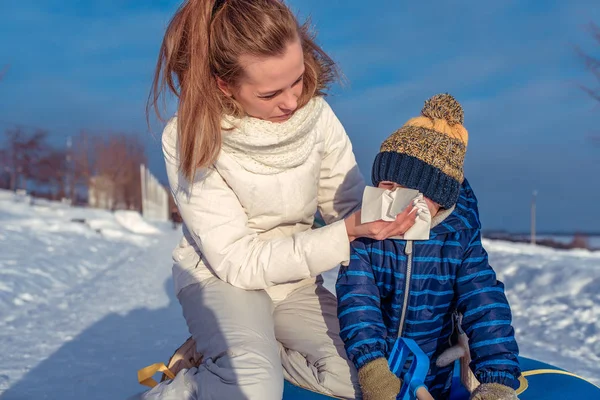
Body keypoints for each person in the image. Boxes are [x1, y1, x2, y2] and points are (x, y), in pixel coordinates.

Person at [135, 0, 417, 399]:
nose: (291, 101)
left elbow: (348, 205)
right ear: (224, 84)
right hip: (224, 280)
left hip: (294, 282)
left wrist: (394, 208)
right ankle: (193, 382)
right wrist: (345, 234)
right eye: (270, 93)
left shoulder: (316, 115)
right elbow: (237, 261)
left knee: (363, 376)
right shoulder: (191, 135)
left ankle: (232, 352)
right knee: (255, 387)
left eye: (298, 80)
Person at [336, 94, 521, 400]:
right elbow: (358, 303)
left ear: (438, 197)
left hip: (433, 375)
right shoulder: (368, 236)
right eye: (387, 187)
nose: (394, 199)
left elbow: (485, 304)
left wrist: (498, 379)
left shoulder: (458, 240)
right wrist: (372, 367)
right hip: (375, 373)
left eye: (407, 190)